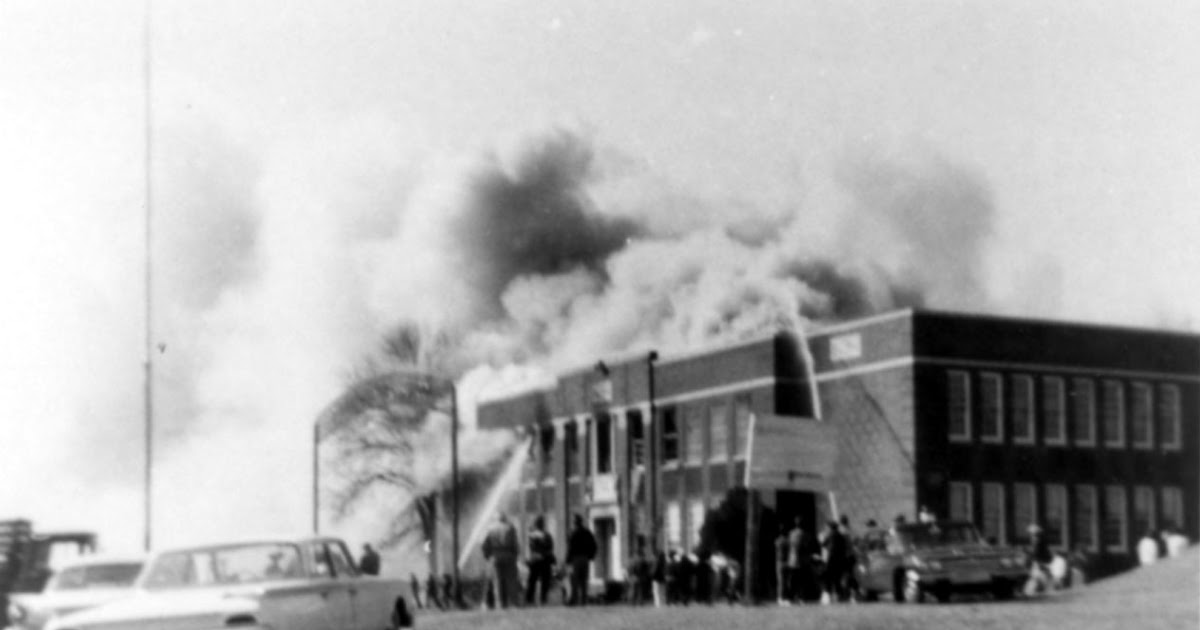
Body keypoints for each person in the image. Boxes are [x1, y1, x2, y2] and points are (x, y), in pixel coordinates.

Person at [481, 512, 521, 609]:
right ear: (505, 518)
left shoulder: (490, 528)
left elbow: (484, 544)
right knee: (511, 580)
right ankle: (513, 603)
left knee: (497, 581)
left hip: (495, 556)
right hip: (509, 555)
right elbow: (515, 544)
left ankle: (499, 603)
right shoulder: (510, 528)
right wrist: (515, 555)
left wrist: (488, 556)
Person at [565, 513, 597, 606]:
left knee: (574, 580)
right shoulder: (587, 532)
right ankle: (583, 600)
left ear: (575, 523)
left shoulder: (573, 533)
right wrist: (591, 556)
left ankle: (574, 600)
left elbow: (570, 548)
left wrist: (567, 560)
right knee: (584, 580)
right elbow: (594, 545)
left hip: (575, 559)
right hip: (585, 558)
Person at [524, 514, 555, 606]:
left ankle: (531, 599)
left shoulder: (533, 535)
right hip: (543, 560)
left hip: (537, 560)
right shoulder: (546, 535)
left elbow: (531, 547)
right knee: (542, 580)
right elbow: (550, 547)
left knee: (533, 581)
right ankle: (541, 599)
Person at [821, 520, 849, 603]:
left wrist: (822, 537)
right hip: (840, 560)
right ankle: (838, 596)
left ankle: (827, 596)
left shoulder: (829, 535)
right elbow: (844, 548)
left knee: (828, 578)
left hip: (830, 560)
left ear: (830, 528)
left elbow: (823, 544)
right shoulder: (841, 536)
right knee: (837, 579)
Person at [774, 525, 790, 605]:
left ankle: (780, 597)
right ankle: (785, 597)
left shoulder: (777, 541)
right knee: (786, 581)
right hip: (786, 561)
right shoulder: (787, 541)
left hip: (779, 562)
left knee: (780, 581)